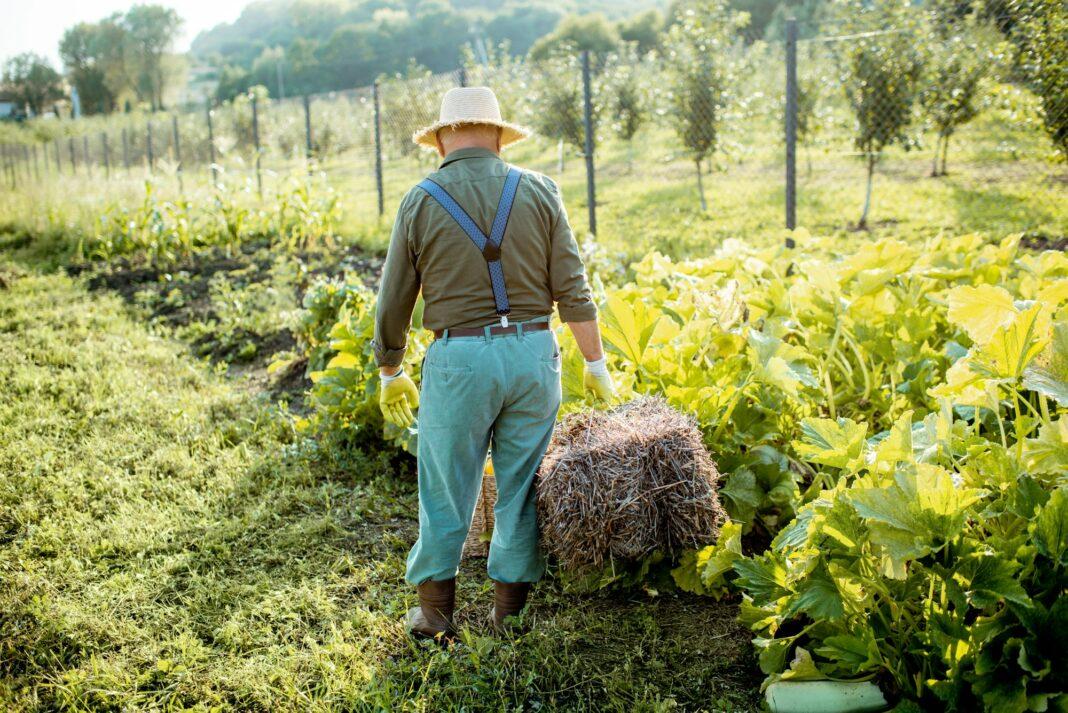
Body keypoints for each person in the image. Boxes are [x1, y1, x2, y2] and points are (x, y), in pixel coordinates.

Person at [372, 86, 615, 640]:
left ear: (442, 139)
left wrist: (391, 367)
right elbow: (573, 288)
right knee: (522, 485)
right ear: (500, 137)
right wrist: (595, 364)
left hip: (459, 360)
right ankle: (510, 615)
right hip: (534, 355)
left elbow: (394, 300)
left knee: (444, 488)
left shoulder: (421, 198)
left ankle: (435, 615)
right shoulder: (540, 191)